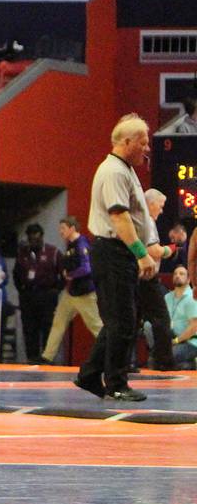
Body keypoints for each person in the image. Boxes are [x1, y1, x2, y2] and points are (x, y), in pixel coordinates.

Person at [76, 114, 156, 402]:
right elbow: (119, 216)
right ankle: (116, 384)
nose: (147, 149)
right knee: (122, 321)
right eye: (143, 143)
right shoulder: (114, 172)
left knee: (119, 321)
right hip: (113, 252)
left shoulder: (125, 169)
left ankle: (89, 374)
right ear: (127, 142)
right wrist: (141, 253)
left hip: (117, 252)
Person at [37, 216, 101, 364]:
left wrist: (71, 275)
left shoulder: (81, 243)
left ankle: (115, 356)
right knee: (58, 322)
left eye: (63, 228)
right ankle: (47, 356)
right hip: (71, 293)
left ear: (72, 228)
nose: (60, 231)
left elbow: (87, 267)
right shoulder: (71, 244)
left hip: (85, 294)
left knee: (96, 326)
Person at [136, 188, 181, 372]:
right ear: (151, 204)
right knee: (161, 317)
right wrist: (170, 250)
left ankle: (123, 362)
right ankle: (164, 361)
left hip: (135, 277)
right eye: (160, 206)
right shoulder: (147, 220)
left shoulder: (138, 219)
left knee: (131, 320)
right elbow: (153, 250)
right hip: (146, 276)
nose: (162, 211)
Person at [16, 223, 63, 363]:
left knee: (47, 326)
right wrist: (22, 290)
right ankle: (32, 358)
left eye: (37, 238)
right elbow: (16, 274)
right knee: (30, 328)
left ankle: (47, 357)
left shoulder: (53, 252)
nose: (34, 241)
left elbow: (64, 274)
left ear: (42, 237)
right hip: (28, 295)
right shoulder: (22, 253)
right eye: (31, 239)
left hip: (47, 295)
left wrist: (56, 290)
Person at [160, 265, 197, 370]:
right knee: (148, 325)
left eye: (181, 274)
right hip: (171, 337)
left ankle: (189, 363)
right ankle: (188, 364)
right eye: (175, 274)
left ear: (188, 279)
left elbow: (194, 326)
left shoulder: (193, 297)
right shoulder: (167, 297)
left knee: (165, 360)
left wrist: (176, 341)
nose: (177, 276)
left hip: (191, 341)